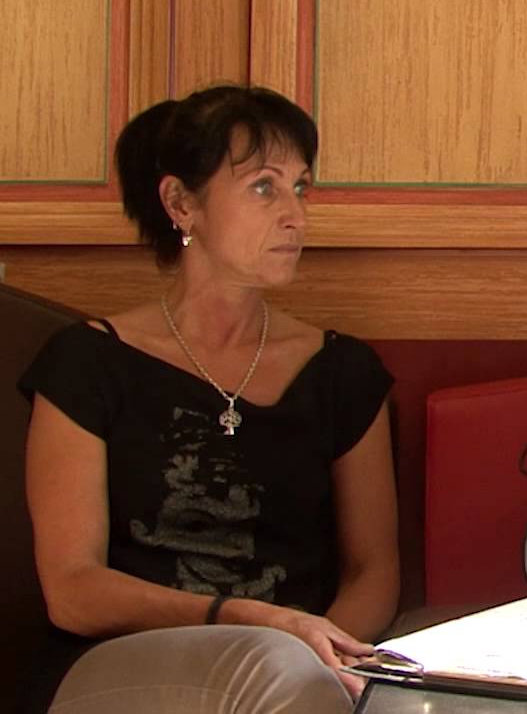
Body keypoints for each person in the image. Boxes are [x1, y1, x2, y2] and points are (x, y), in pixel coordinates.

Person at [19, 85, 399, 713]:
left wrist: (326, 647)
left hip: (305, 668)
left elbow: (373, 571)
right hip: (118, 664)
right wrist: (248, 619)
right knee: (270, 664)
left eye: (301, 188)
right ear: (180, 203)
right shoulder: (87, 363)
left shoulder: (343, 372)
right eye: (263, 187)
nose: (295, 216)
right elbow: (73, 590)